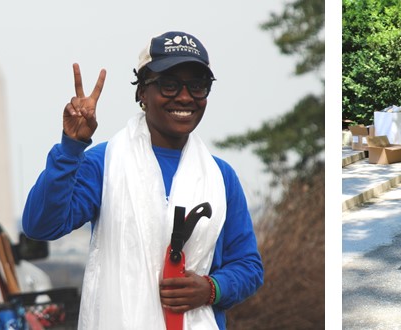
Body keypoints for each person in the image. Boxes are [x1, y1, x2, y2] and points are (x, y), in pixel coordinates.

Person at [22, 31, 263, 329]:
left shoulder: (220, 176)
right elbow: (41, 225)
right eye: (169, 84)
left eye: (198, 85)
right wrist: (71, 148)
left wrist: (211, 288)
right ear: (142, 93)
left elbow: (249, 266)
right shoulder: (105, 162)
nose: (185, 97)